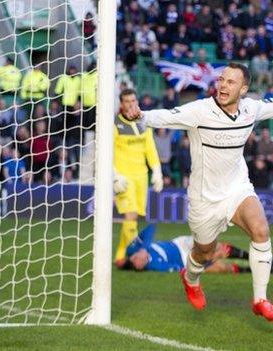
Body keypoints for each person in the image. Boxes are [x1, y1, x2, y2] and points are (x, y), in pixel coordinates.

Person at [122, 62, 273, 320]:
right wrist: (142, 116)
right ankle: (191, 278)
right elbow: (166, 116)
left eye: (230, 82)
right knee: (203, 253)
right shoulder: (199, 111)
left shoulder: (252, 109)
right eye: (222, 80)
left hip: (237, 188)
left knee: (261, 230)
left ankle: (260, 299)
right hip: (204, 200)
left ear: (244, 89)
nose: (223, 86)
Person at [113, 88, 163, 267]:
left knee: (134, 218)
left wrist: (157, 171)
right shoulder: (114, 123)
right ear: (121, 104)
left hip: (141, 177)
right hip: (123, 178)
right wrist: (114, 175)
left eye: (133, 101)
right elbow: (106, 150)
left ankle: (122, 253)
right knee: (131, 216)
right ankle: (123, 256)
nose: (131, 104)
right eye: (127, 101)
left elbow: (150, 149)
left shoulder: (143, 122)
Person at [123, 224, 254, 274]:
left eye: (138, 259)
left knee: (214, 246)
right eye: (141, 265)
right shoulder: (155, 266)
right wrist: (210, 260)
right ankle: (251, 270)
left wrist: (144, 248)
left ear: (133, 257)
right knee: (219, 268)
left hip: (180, 245)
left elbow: (151, 227)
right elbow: (182, 269)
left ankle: (251, 258)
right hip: (186, 260)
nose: (142, 261)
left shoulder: (133, 249)